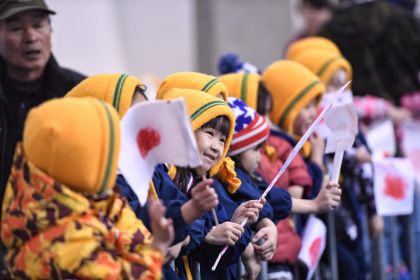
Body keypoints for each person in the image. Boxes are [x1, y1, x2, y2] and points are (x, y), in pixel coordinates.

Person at [66, 73, 220, 279]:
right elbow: (137, 227)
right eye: (134, 117)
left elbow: (174, 208)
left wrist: (188, 215)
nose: (145, 129)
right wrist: (166, 237)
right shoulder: (98, 183)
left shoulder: (151, 170)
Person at [1, 97, 174, 278]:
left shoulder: (49, 203)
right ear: (81, 161)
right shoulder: (70, 239)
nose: (117, 158)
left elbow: (131, 235)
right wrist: (158, 247)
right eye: (107, 151)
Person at [160, 88, 264, 279]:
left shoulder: (199, 182)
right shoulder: (164, 174)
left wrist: (234, 225)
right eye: (209, 133)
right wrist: (207, 232)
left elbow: (213, 260)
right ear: (187, 128)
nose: (217, 146)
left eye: (223, 140)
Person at [0, 0, 85, 202]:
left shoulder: (78, 92)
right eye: (16, 28)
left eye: (38, 25)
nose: (31, 37)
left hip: (61, 220)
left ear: (50, 29)